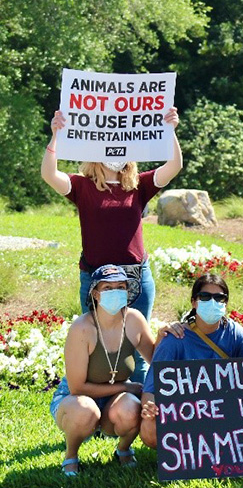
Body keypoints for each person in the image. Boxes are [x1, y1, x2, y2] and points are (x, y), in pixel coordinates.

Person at [42, 108, 183, 381]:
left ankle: (142, 414)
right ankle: (99, 414)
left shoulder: (139, 186)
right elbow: (50, 174)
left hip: (136, 279)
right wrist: (55, 135)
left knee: (140, 352)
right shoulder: (81, 186)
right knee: (97, 349)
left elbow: (174, 166)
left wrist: (170, 131)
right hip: (97, 281)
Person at [139, 273, 243, 448]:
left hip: (228, 414)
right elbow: (151, 388)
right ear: (193, 302)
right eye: (205, 296)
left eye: (219, 297)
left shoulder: (237, 335)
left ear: (226, 303)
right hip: (187, 416)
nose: (212, 302)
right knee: (149, 428)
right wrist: (150, 408)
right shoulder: (174, 340)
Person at [50, 264, 156, 476]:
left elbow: (157, 360)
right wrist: (127, 386)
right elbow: (77, 386)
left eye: (120, 287)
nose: (115, 292)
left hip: (115, 400)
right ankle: (71, 455)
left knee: (132, 408)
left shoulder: (134, 320)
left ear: (128, 291)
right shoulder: (82, 327)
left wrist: (168, 335)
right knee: (85, 410)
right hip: (76, 398)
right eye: (108, 288)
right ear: (96, 294)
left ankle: (123, 450)